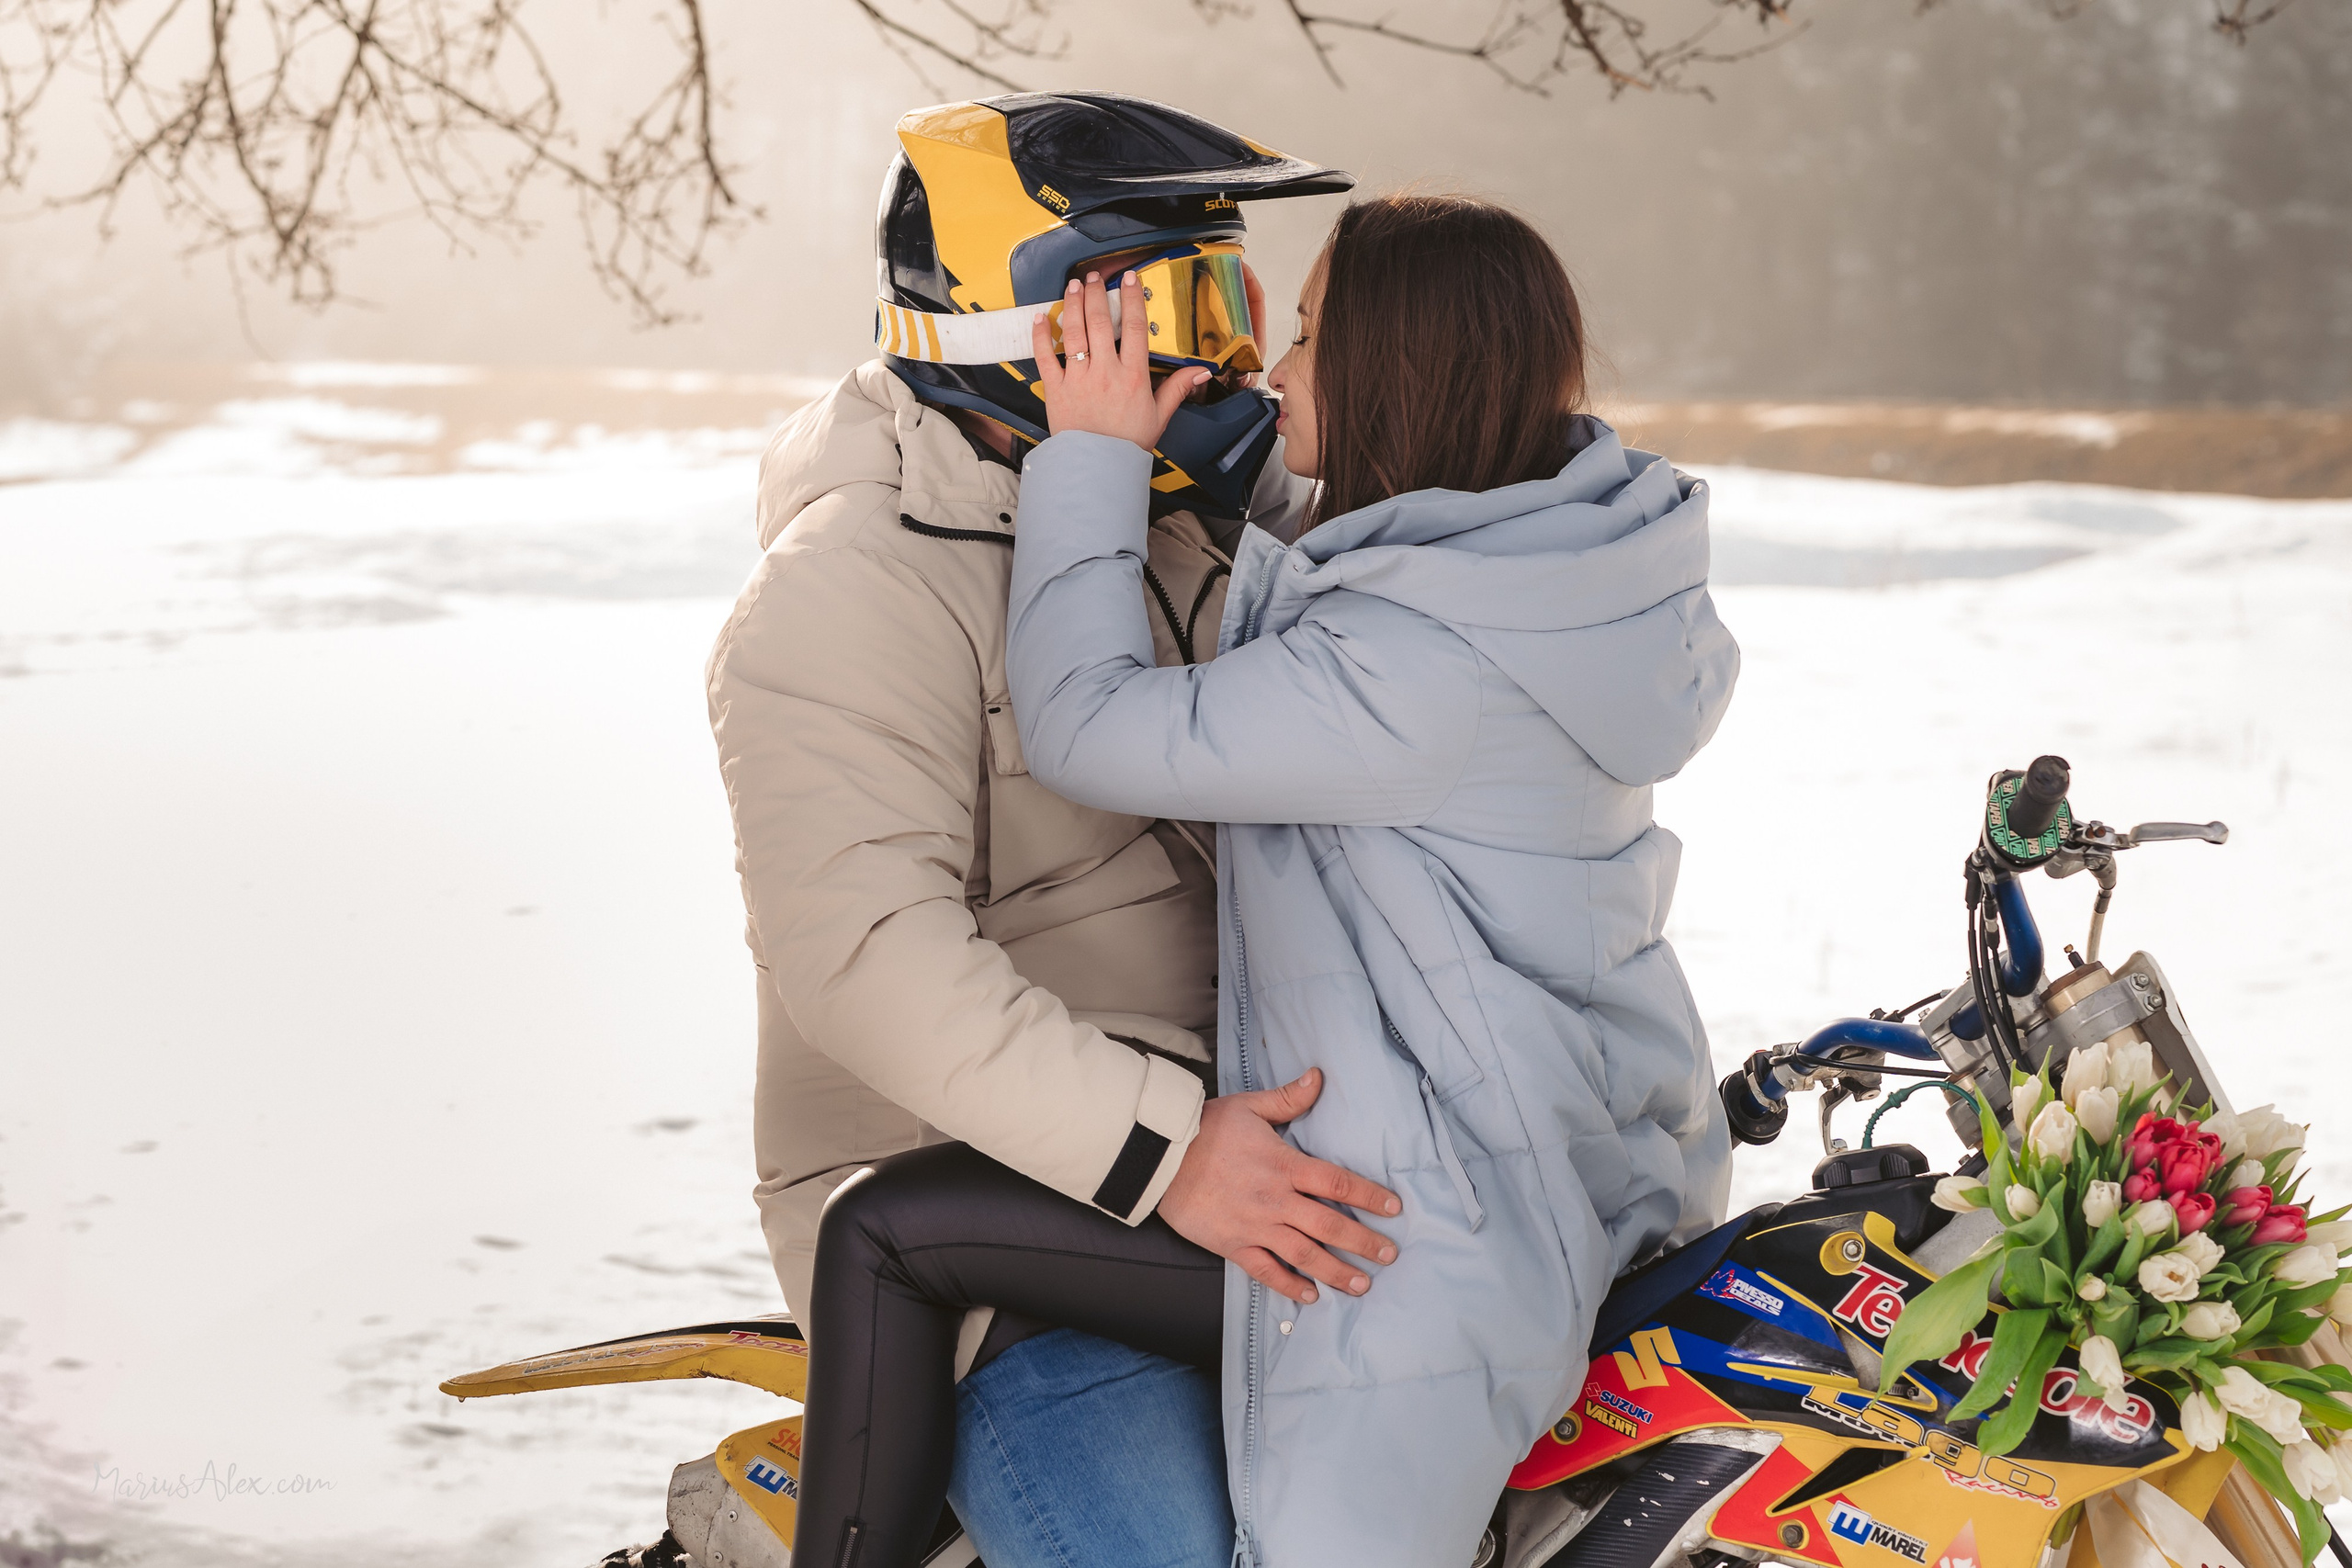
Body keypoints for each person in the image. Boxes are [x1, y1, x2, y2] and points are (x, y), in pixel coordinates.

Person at [789, 193, 1743, 1568]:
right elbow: (1355, 560)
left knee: (883, 1228)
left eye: (1304, 341)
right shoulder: (1551, 583)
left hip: (1409, 1228)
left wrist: (1095, 458)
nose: (1272, 376)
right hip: (1557, 1170)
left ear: (1398, 380)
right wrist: (1225, 447)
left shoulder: (1408, 671)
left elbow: (1086, 725)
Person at [704, 93, 1393, 1568]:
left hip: (1258, 1174)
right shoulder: (855, 586)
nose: (1218, 354)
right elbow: (866, 951)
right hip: (1003, 1245)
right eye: (1169, 304)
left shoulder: (1185, 514)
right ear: (1026, 326)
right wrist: (1167, 1156)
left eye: (1235, 300)